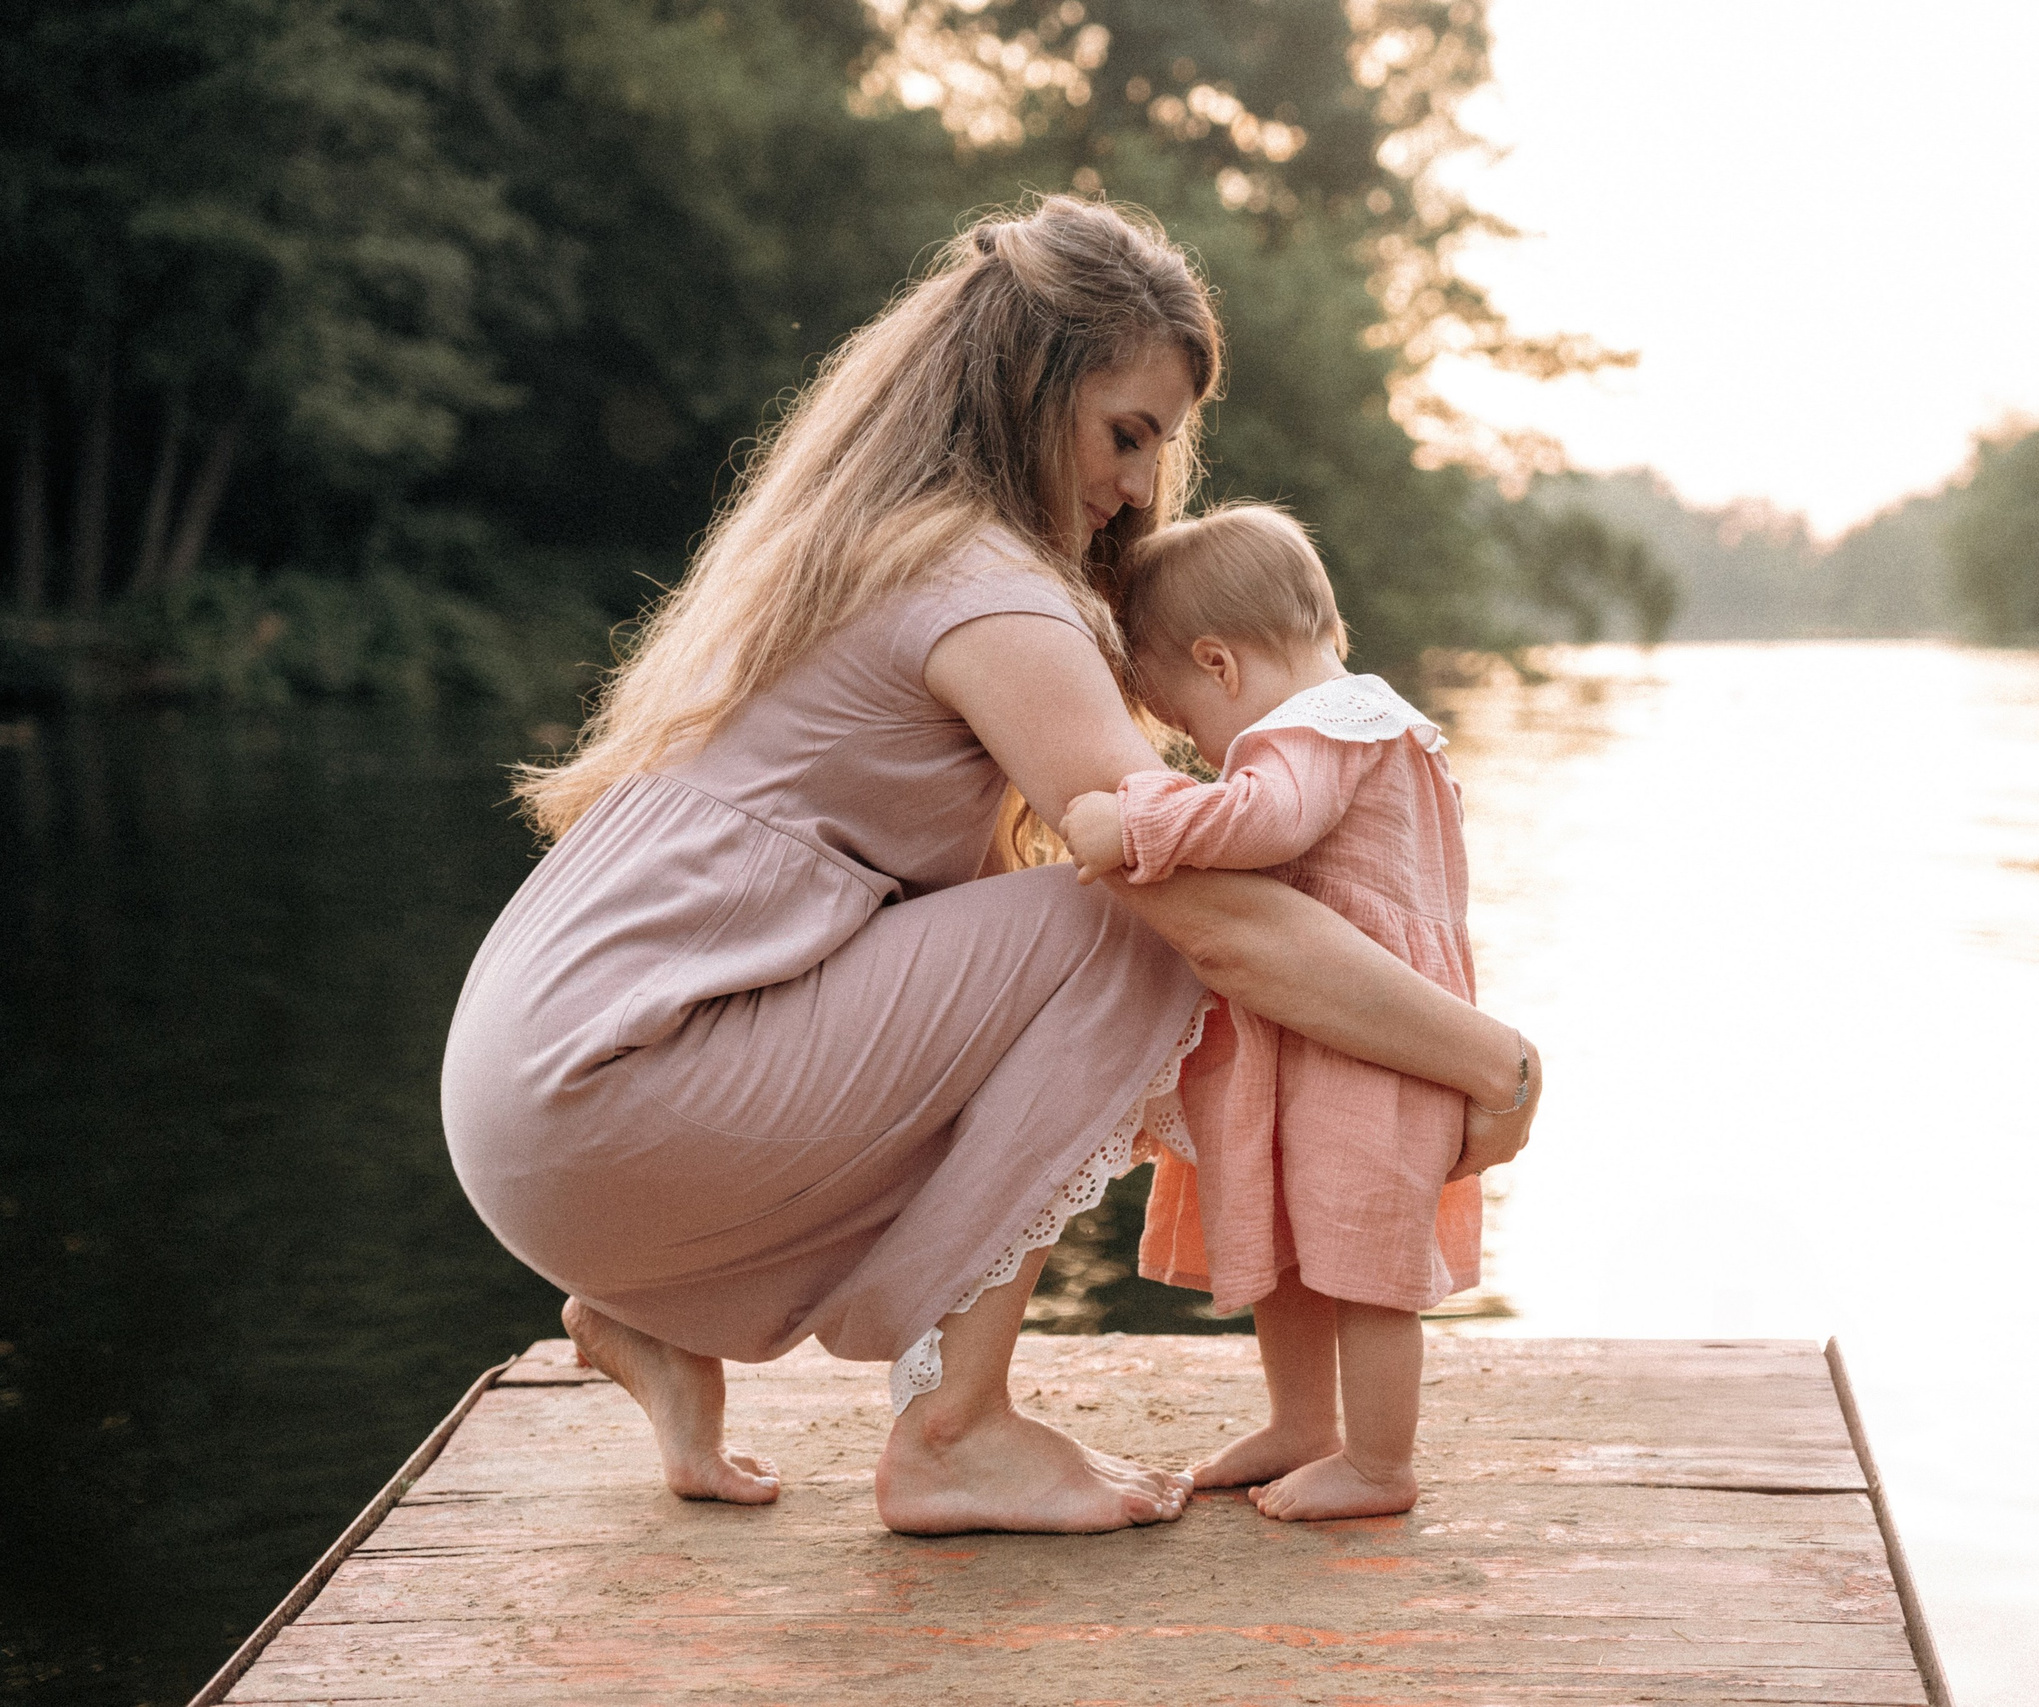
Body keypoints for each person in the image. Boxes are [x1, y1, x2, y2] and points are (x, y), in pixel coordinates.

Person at [439, 196, 1540, 1538]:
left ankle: (658, 1316)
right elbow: (1218, 924)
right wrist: (1487, 1057)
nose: (1142, 487)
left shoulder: (878, 543)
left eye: (1162, 447)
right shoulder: (989, 591)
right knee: (1130, 920)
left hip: (541, 1090)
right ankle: (956, 1430)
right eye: (1126, 432)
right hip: (615, 1089)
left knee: (1034, 938)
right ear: (1032, 387)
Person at [1058, 504, 1493, 1521]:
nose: (1203, 755)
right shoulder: (1373, 721)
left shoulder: (1315, 726)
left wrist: (1134, 819)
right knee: (1301, 1246)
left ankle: (1380, 1466)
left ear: (1218, 664)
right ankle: (1305, 1426)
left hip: (1370, 1049)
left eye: (1185, 729)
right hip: (1334, 1030)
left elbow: (1267, 820)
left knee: (1367, 1263)